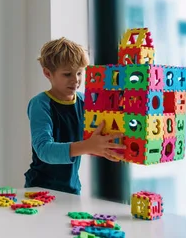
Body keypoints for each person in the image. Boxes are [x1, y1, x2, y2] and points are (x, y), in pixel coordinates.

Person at [24, 37, 125, 195]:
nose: (75, 80)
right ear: (47, 73)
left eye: (79, 73)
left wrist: (101, 147)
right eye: (67, 74)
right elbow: (44, 150)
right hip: (40, 189)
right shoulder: (40, 104)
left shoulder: (85, 101)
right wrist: (87, 146)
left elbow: (93, 136)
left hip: (71, 188)